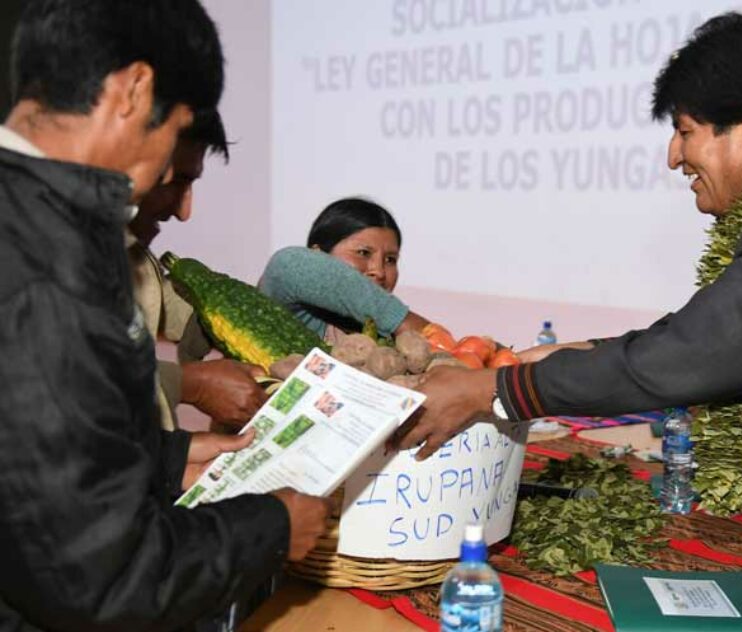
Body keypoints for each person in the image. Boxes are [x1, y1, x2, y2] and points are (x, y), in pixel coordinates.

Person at [395, 12, 742, 630]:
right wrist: (582, 350)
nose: (672, 156)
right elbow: (727, 331)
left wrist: (493, 391)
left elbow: (693, 354)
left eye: (685, 132)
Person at [0, 2, 330, 630]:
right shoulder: (47, 267)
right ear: (134, 90)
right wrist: (272, 526)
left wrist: (167, 456)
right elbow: (100, 578)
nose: (175, 198)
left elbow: (33, 455)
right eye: (175, 128)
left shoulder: (33, 222)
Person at [127, 109, 267, 430]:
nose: (184, 211)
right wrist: (192, 383)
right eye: (177, 181)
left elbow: (186, 312)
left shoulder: (136, 258)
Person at [259, 197, 429, 344]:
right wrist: (402, 321)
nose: (379, 272)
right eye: (363, 253)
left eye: (390, 259)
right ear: (317, 254)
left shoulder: (394, 340)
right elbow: (289, 263)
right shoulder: (299, 309)